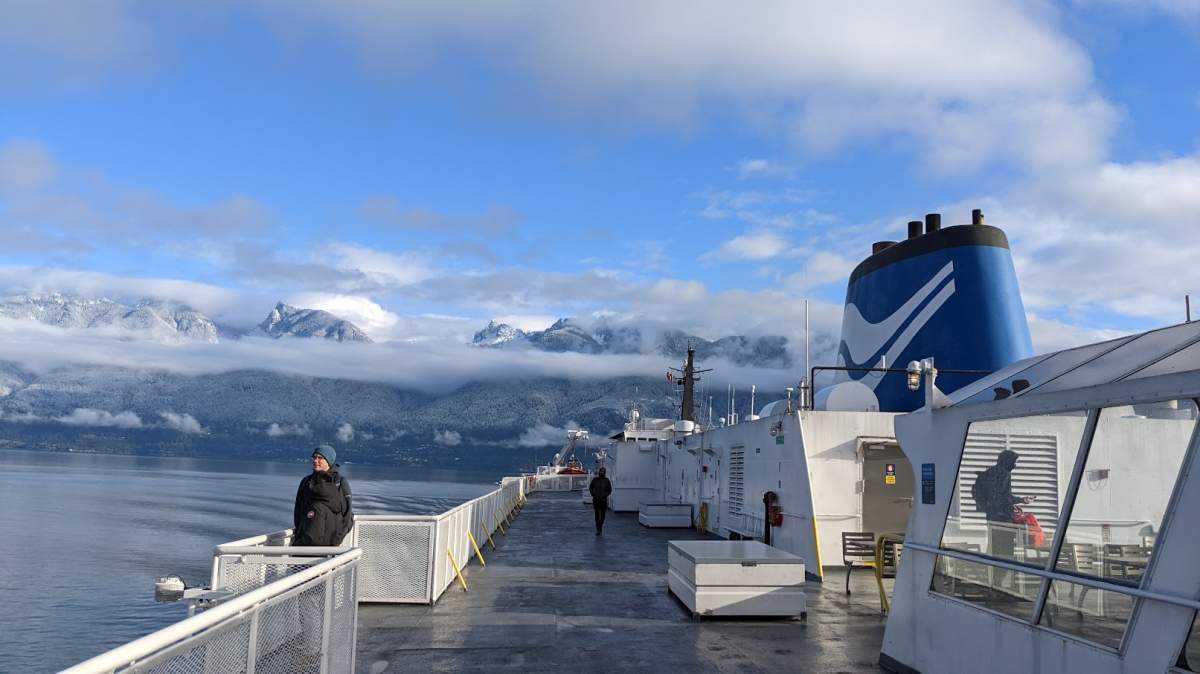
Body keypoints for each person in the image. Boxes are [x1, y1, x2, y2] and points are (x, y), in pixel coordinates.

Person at [972, 449, 1033, 587]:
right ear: (1008, 461)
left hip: (991, 517)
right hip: (1003, 519)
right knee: (1006, 551)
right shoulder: (1004, 474)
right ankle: (1002, 584)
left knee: (994, 549)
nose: (1015, 465)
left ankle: (994, 582)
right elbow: (1005, 497)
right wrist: (1021, 500)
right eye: (1014, 462)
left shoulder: (989, 473)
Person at [293, 444, 354, 547]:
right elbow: (298, 511)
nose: (315, 460)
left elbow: (347, 516)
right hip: (305, 542)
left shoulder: (340, 483)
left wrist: (336, 541)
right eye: (314, 457)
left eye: (320, 458)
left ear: (329, 461)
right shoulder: (306, 482)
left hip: (330, 544)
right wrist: (300, 532)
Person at [588, 467, 612, 536]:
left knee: (602, 516)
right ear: (599, 472)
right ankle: (598, 529)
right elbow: (591, 488)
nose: (601, 472)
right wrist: (593, 494)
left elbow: (609, 490)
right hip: (596, 500)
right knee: (597, 515)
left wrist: (605, 495)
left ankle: (600, 526)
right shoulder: (595, 480)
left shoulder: (607, 480)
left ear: (604, 472)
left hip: (603, 500)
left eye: (603, 471)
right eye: (600, 471)